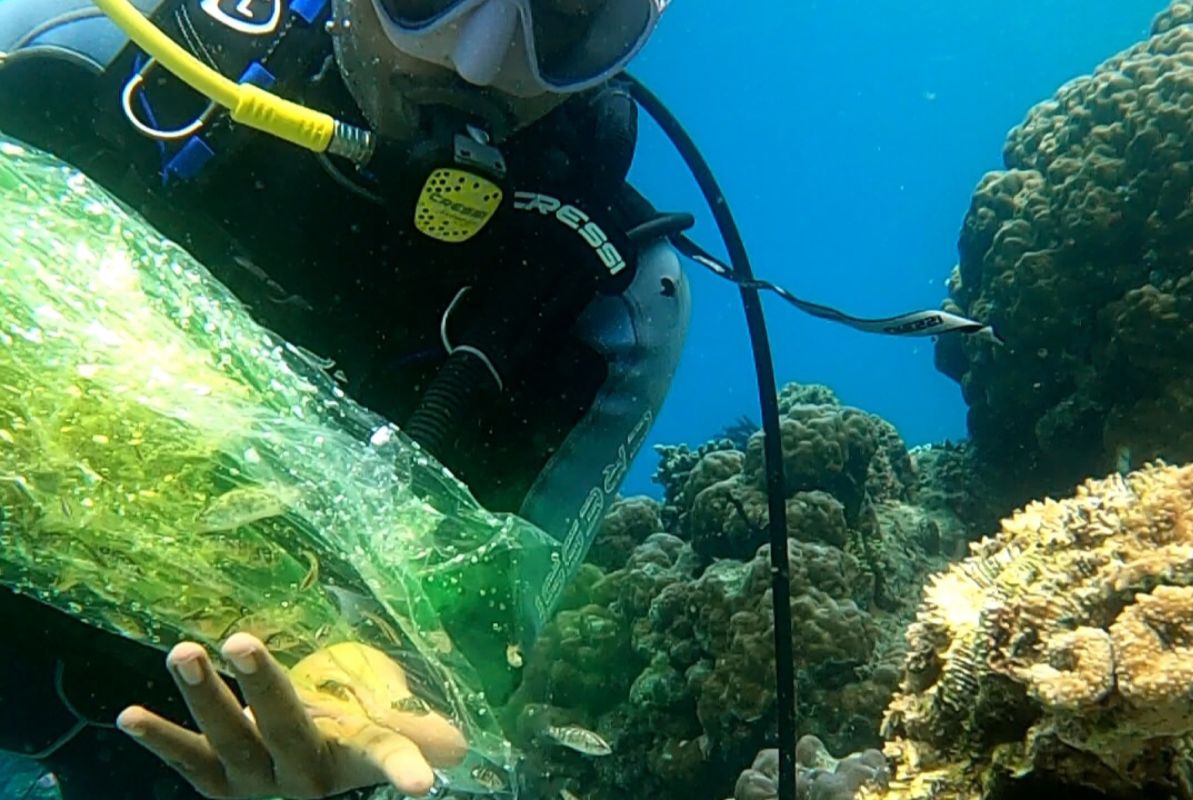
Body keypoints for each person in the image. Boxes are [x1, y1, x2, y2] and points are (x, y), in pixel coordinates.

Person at [0, 0, 688, 797]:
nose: (479, 61)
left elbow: (475, 645)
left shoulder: (615, 303)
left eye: (564, 14)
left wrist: (380, 680)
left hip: (169, 757)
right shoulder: (81, 49)